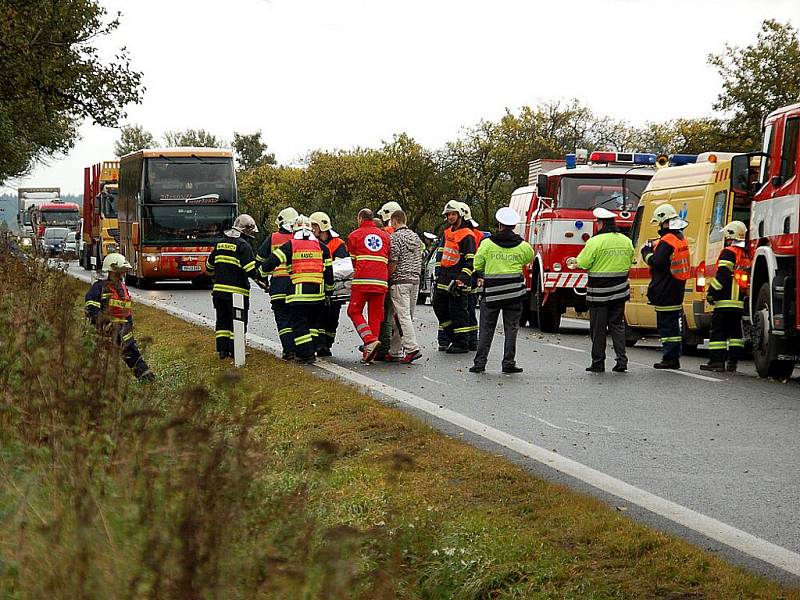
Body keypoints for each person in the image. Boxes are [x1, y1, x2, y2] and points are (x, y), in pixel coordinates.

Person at [259, 215, 334, 364]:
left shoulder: (290, 245)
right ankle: (310, 351)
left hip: (298, 295)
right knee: (312, 326)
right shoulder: (322, 247)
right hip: (318, 296)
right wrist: (329, 292)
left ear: (294, 230)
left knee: (299, 325)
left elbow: (271, 262)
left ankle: (306, 355)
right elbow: (328, 273)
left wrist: (261, 273)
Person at [469, 207, 533, 374]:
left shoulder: (487, 244)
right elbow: (528, 259)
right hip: (514, 294)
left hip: (491, 294)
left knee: (486, 329)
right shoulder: (523, 246)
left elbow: (477, 264)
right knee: (511, 329)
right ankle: (508, 363)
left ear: (498, 225)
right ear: (513, 226)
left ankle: (479, 363)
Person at [573, 207, 635, 373]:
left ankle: (598, 362)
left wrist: (574, 261)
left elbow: (584, 263)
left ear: (600, 224)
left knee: (598, 328)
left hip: (599, 293)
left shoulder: (595, 242)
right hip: (620, 291)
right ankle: (622, 361)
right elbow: (631, 260)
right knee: (618, 326)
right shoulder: (625, 240)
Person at [84, 253, 155, 381]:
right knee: (100, 360)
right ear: (109, 273)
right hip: (105, 332)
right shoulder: (98, 288)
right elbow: (91, 309)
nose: (120, 277)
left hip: (123, 332)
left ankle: (147, 379)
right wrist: (104, 325)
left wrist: (127, 329)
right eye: (117, 274)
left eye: (121, 274)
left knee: (132, 355)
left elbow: (126, 311)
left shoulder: (122, 288)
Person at [641, 203, 690, 369]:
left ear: (663, 221)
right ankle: (673, 356)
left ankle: (670, 358)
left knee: (667, 326)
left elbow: (658, 263)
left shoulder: (667, 240)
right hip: (676, 286)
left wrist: (645, 253)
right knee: (673, 325)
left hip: (666, 288)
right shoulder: (679, 237)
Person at [206, 214, 260, 360]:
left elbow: (209, 266)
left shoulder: (220, 244)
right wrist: (263, 280)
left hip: (219, 293)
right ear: (246, 231)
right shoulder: (243, 246)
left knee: (222, 322)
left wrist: (215, 278)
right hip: (237, 294)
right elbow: (251, 271)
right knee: (238, 322)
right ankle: (236, 351)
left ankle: (222, 351)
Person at [701, 221, 750, 372]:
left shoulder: (729, 252)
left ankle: (716, 362)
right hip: (738, 302)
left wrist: (712, 293)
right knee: (735, 333)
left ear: (730, 236)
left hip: (725, 300)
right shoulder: (744, 254)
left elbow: (722, 274)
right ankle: (732, 362)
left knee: (718, 332)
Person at [346, 208, 391, 363]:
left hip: (362, 279)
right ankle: (369, 353)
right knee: (375, 315)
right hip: (381, 281)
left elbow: (353, 261)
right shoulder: (386, 236)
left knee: (353, 310)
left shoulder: (354, 236)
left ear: (360, 219)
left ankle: (369, 340)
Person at [433, 200, 477, 354]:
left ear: (460, 215)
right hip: (444, 278)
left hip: (457, 281)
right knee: (438, 306)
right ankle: (453, 337)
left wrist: (462, 280)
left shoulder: (467, 236)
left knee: (459, 312)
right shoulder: (446, 233)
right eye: (448, 214)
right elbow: (442, 253)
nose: (450, 217)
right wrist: (438, 272)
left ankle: (462, 343)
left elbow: (470, 261)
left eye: (453, 214)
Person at [256, 207, 298, 360]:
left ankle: (289, 351)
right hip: (297, 286)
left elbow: (260, 260)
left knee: (283, 319)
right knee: (297, 318)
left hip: (278, 286)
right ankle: (301, 350)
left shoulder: (273, 238)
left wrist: (263, 280)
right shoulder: (302, 238)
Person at [310, 211, 349, 357]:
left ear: (319, 227)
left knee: (332, 319)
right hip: (317, 286)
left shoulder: (338, 244)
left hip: (334, 289)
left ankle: (327, 344)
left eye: (313, 226)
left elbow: (343, 267)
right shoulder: (311, 243)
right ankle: (320, 345)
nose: (311, 229)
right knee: (317, 318)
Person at [386, 209, 423, 363]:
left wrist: (387, 277)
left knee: (402, 316)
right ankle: (395, 350)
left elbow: (393, 261)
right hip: (415, 280)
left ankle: (412, 348)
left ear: (394, 221)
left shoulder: (395, 237)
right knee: (404, 316)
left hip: (400, 281)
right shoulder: (415, 237)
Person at [376, 200, 403, 356]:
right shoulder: (404, 232)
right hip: (401, 279)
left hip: (386, 277)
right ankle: (394, 347)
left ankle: (382, 345)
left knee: (384, 314)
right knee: (395, 315)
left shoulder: (385, 232)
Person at [458, 201, 483, 350]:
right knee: (469, 310)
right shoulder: (477, 234)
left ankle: (471, 341)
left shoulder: (468, 235)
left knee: (467, 310)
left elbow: (476, 257)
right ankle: (472, 341)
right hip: (471, 275)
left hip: (468, 276)